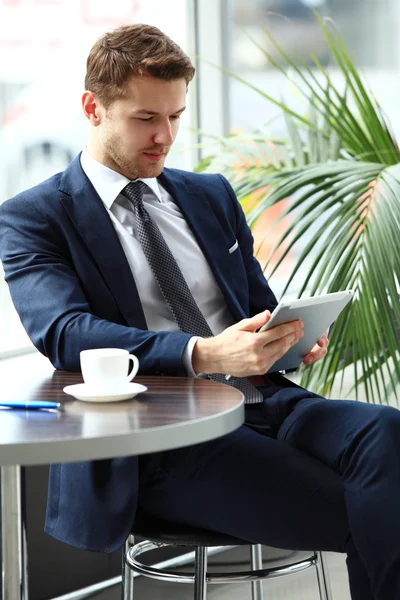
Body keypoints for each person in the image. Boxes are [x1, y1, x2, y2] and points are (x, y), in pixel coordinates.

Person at [0, 23, 398, 600]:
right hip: (164, 438)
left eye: (176, 117)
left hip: (268, 401)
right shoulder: (34, 217)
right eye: (145, 119)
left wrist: (286, 338)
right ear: (93, 108)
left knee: (386, 431)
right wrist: (204, 353)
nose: (165, 136)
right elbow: (64, 332)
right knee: (376, 504)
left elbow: (257, 307)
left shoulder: (209, 195)